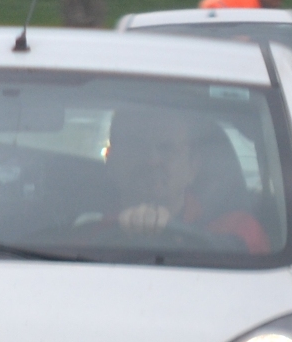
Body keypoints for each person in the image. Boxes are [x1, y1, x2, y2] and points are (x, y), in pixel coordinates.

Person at [104, 105, 270, 253]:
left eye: (166, 149)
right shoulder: (86, 238)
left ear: (193, 166)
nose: (152, 160)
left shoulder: (238, 231)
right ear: (111, 163)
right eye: (136, 146)